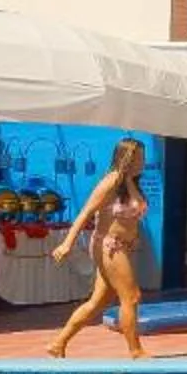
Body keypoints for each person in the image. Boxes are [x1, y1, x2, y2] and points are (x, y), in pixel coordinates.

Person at [48, 137, 151, 360]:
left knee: (98, 302)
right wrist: (67, 243)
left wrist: (133, 238)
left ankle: (58, 343)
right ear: (125, 159)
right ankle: (136, 351)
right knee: (132, 297)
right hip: (109, 246)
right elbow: (85, 213)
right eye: (138, 158)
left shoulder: (132, 183)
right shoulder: (112, 181)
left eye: (143, 158)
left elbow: (130, 220)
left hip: (122, 247)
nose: (142, 162)